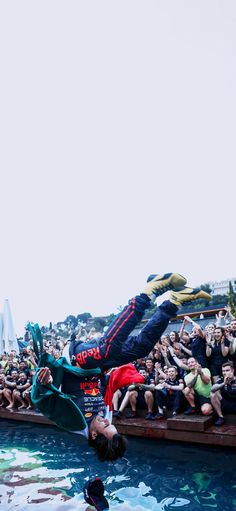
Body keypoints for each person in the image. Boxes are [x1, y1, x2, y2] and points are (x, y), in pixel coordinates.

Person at [33, 273, 211, 461]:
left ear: (94, 435)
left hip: (74, 359)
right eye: (111, 424)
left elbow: (42, 401)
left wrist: (44, 384)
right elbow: (102, 386)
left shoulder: (73, 422)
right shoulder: (105, 414)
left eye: (106, 426)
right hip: (98, 367)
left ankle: (148, 292)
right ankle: (173, 303)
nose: (107, 421)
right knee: (141, 348)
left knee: (106, 349)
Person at [211, 361, 236, 426]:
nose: (225, 373)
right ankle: (221, 417)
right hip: (225, 404)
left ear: (232, 370)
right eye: (223, 371)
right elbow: (212, 389)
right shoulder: (221, 379)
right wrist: (223, 383)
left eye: (227, 370)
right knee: (213, 393)